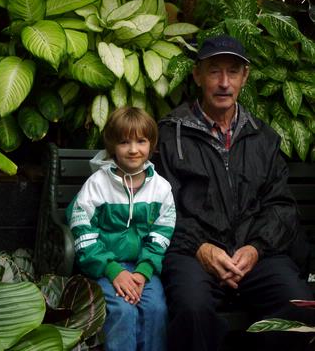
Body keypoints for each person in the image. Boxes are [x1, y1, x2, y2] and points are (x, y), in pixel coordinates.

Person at [156, 35, 314, 351]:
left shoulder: (262, 138)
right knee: (192, 309)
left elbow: (280, 206)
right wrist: (201, 248)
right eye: (214, 71)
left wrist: (255, 248)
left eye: (233, 71)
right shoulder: (170, 134)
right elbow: (160, 205)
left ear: (245, 76)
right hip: (192, 253)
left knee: (299, 308)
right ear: (197, 75)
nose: (224, 83)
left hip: (255, 255)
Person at [67, 106, 176, 351]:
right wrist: (113, 270)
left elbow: (162, 234)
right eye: (124, 142)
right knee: (122, 310)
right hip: (103, 267)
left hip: (142, 268)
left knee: (156, 308)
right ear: (112, 146)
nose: (133, 149)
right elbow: (82, 231)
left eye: (141, 141)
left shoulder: (161, 188)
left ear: (152, 144)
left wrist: (143, 271)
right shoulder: (97, 185)